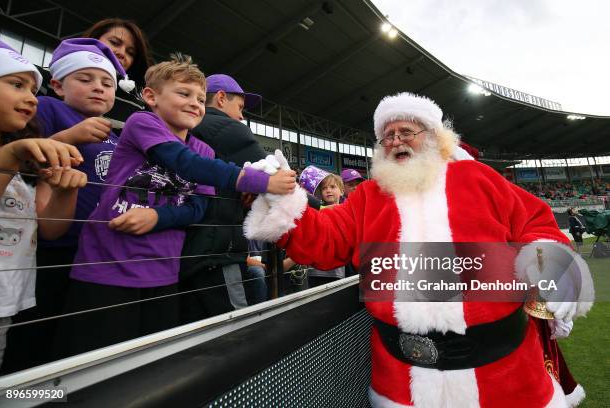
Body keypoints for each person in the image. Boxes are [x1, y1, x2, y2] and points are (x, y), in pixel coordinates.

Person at [244, 92, 594, 407]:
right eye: (388, 136)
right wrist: (287, 200)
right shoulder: (368, 196)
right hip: (402, 383)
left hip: (506, 376)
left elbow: (535, 221)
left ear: (434, 138)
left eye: (406, 131)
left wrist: (552, 265)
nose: (396, 140)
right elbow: (327, 238)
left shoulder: (479, 178)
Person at [51, 54, 295, 358]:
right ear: (151, 96)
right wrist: (257, 181)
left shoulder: (204, 148)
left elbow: (198, 206)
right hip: (107, 268)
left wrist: (158, 216)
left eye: (200, 98)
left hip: (164, 273)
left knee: (151, 364)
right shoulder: (143, 123)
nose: (195, 103)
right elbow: (184, 163)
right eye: (184, 94)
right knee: (91, 364)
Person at [2, 38, 126, 373]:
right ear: (57, 84)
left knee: (71, 330)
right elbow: (25, 159)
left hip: (96, 247)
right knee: (35, 329)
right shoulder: (47, 108)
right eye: (85, 80)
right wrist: (71, 135)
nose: (98, 89)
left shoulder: (115, 136)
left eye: (107, 83)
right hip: (52, 248)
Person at [0, 40, 87, 372]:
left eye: (33, 89)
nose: (32, 98)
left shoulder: (21, 163)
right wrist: (12, 155)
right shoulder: (14, 154)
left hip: (8, 299)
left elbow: (50, 228)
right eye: (16, 84)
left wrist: (66, 192)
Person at [180, 74, 267, 320]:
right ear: (220, 98)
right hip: (217, 252)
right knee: (235, 329)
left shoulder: (182, 127)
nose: (241, 116)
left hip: (182, 252)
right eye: (239, 107)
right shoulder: (226, 127)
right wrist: (322, 209)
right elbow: (273, 175)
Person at [83, 18, 154, 122]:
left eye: (130, 53)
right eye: (114, 42)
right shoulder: (52, 79)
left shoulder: (136, 108)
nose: (122, 53)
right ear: (94, 39)